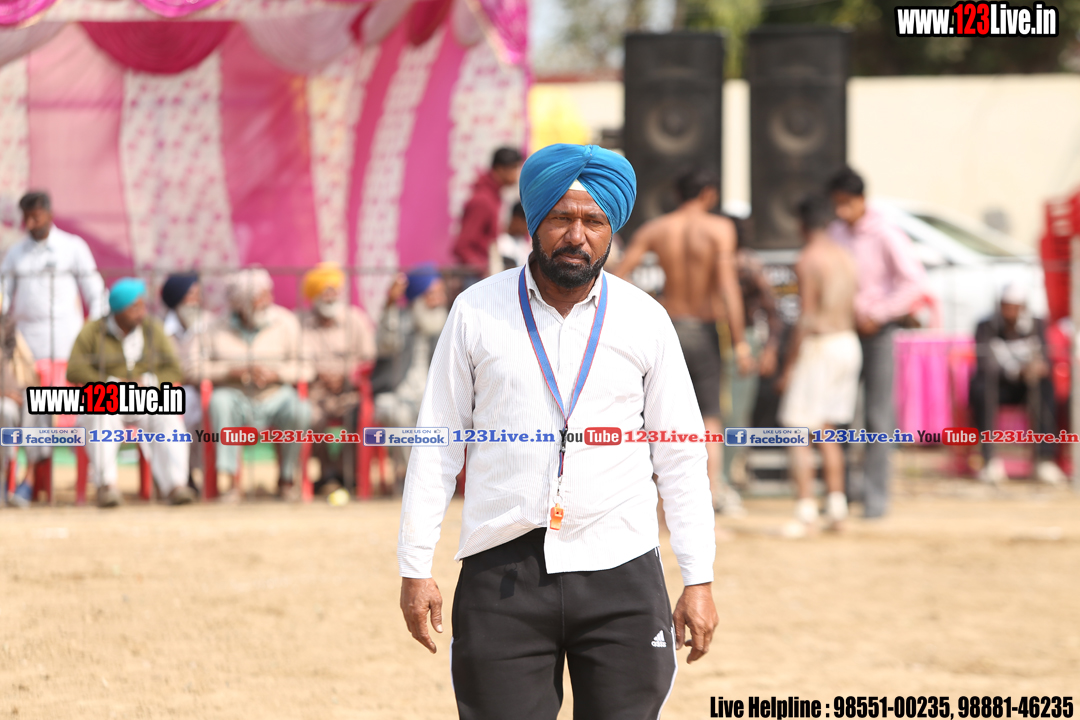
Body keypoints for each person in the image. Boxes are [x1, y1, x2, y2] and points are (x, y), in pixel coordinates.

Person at [398, 143, 718, 720]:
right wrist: (415, 565)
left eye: (594, 221)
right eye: (561, 218)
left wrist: (699, 578)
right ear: (533, 223)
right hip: (503, 571)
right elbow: (437, 445)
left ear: (612, 229)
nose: (577, 236)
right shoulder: (475, 311)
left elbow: (681, 456)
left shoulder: (644, 319)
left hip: (621, 567)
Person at [616, 168, 750, 513]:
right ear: (708, 194)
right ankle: (708, 503)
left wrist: (645, 306)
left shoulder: (657, 228)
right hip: (704, 329)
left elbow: (618, 275)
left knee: (661, 418)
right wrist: (740, 342)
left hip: (667, 327)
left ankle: (662, 509)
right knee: (709, 417)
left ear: (678, 194)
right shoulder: (720, 228)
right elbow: (728, 287)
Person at [828, 166, 928, 519]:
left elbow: (914, 282)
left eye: (846, 203)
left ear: (861, 200)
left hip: (879, 334)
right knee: (838, 414)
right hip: (843, 331)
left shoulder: (886, 233)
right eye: (836, 204)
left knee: (877, 417)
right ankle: (842, 493)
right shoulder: (835, 233)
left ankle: (875, 499)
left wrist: (881, 313)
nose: (841, 210)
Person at [67, 278, 194, 508]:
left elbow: (174, 369)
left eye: (143, 306)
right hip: (108, 398)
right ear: (118, 310)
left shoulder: (152, 329)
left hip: (146, 398)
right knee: (100, 413)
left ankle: (175, 486)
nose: (141, 313)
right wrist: (111, 383)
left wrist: (149, 381)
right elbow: (74, 370)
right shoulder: (93, 331)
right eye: (135, 307)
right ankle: (107, 487)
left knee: (167, 415)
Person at [186, 268, 311, 500]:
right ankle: (230, 483)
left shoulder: (286, 322)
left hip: (275, 395)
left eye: (268, 294)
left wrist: (277, 374)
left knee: (300, 409)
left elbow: (307, 368)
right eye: (260, 297)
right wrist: (231, 372)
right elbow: (192, 369)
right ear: (241, 302)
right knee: (219, 402)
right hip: (235, 396)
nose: (268, 301)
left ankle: (286, 480)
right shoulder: (213, 327)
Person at [777, 195, 862, 534]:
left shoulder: (809, 259)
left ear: (802, 224)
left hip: (821, 345)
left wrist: (788, 365)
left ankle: (806, 510)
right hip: (847, 342)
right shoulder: (845, 256)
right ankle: (837, 508)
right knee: (828, 429)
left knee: (797, 428)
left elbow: (807, 317)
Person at [970, 283, 1066, 485]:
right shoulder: (986, 326)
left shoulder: (1037, 325)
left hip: (1026, 387)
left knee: (1045, 388)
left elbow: (1046, 358)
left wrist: (1038, 368)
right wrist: (1016, 371)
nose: (1011, 312)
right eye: (1007, 306)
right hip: (998, 386)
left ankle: (1044, 459)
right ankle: (989, 460)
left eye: (1015, 307)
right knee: (982, 388)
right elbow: (985, 364)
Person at [0, 191, 105, 363]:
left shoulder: (72, 247)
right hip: (26, 342)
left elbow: (96, 293)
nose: (30, 224)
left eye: (35, 218)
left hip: (66, 340)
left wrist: (92, 331)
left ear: (50, 215)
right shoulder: (15, 253)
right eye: (26, 218)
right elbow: (3, 293)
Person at [299, 262, 376, 492]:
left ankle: (347, 472)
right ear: (314, 296)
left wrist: (345, 376)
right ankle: (327, 472)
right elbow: (298, 358)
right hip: (316, 393)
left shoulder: (356, 319)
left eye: (334, 291)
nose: (331, 297)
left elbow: (369, 359)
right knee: (307, 416)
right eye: (325, 292)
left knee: (358, 417)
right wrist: (320, 374)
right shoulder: (303, 324)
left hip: (350, 392)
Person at [371, 264, 448, 484]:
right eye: (432, 294)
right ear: (417, 298)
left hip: (431, 397)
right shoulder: (400, 320)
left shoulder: (444, 324)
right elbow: (385, 344)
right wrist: (390, 304)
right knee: (400, 414)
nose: (439, 300)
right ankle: (409, 476)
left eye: (441, 293)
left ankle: (435, 477)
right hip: (396, 394)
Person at [722, 218, 782, 491]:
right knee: (713, 415)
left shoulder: (747, 265)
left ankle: (730, 479)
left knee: (736, 415)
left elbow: (773, 311)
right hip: (714, 338)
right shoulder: (719, 260)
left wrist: (770, 349)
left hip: (742, 343)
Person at [452, 147, 524, 282]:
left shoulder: (493, 198)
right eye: (515, 168)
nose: (517, 174)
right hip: (476, 278)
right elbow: (462, 246)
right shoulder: (483, 200)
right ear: (500, 169)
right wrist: (483, 270)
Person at [0, 314, 41, 507]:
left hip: (15, 395)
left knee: (38, 403)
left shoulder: (10, 331)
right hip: (4, 401)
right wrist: (3, 393)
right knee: (5, 410)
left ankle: (29, 478)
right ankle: (4, 476)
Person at [161, 272, 207, 434]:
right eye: (191, 294)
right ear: (178, 297)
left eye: (198, 294)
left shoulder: (210, 325)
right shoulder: (160, 329)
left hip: (201, 389)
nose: (197, 300)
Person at [488, 202, 531, 274]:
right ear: (516, 219)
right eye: (526, 222)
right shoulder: (502, 243)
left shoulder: (524, 244)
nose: (527, 228)